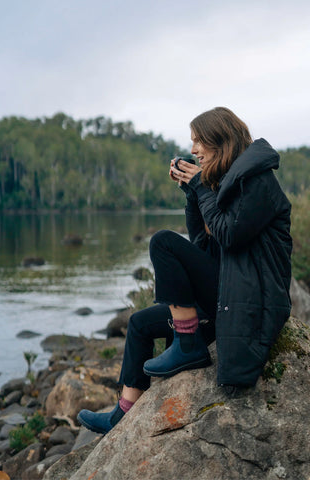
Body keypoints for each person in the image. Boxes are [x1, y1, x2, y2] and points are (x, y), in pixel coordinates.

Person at [77, 106, 292, 434]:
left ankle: (188, 343)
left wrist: (201, 188)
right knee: (138, 323)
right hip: (226, 291)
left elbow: (229, 234)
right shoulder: (225, 184)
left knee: (162, 242)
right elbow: (202, 242)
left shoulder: (258, 181)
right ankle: (123, 414)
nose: (193, 150)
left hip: (250, 298)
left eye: (198, 142)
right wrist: (192, 193)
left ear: (219, 140)